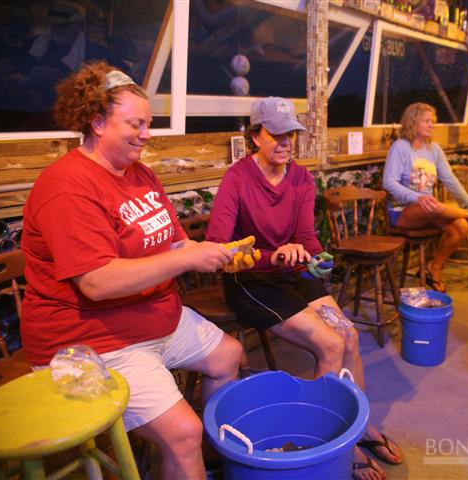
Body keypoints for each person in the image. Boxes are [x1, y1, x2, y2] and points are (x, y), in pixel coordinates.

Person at [20, 61, 250, 479]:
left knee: (229, 355)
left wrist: (217, 252)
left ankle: (207, 457)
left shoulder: (139, 174)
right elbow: (97, 282)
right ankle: (186, 451)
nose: (147, 134)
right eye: (136, 124)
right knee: (183, 431)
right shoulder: (67, 186)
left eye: (149, 123)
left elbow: (176, 242)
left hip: (152, 317)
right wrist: (186, 259)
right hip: (90, 338)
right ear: (97, 123)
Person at [207, 96, 404, 480]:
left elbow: (308, 240)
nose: (285, 142)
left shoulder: (301, 177)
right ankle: (322, 445)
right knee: (329, 344)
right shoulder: (237, 178)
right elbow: (220, 249)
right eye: (276, 134)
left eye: (290, 134)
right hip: (250, 280)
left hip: (293, 273)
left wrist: (317, 258)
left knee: (348, 334)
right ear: (255, 137)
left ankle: (358, 428)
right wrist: (273, 257)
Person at [382, 102, 468, 293]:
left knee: (461, 227)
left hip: (431, 211)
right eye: (427, 120)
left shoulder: (433, 149)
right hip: (402, 212)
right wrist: (417, 198)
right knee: (435, 206)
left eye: (432, 121)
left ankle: (433, 267)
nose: (431, 125)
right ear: (413, 122)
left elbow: (450, 180)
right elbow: (389, 182)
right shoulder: (400, 147)